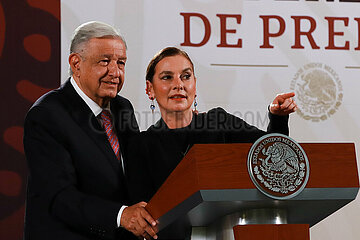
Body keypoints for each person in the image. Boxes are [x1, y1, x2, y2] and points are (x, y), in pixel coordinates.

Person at [126, 47, 297, 239]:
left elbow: (274, 161)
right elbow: (143, 218)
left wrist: (278, 118)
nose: (178, 85)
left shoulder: (220, 122)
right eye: (167, 77)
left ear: (195, 85)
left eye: (186, 76)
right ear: (150, 89)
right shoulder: (140, 146)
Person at [23, 21, 158, 240]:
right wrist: (121, 216)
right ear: (76, 63)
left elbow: (135, 175)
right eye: (105, 61)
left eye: (121, 63)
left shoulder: (123, 107)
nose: (115, 72)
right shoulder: (46, 115)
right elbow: (60, 198)